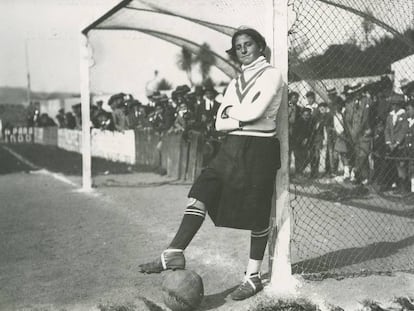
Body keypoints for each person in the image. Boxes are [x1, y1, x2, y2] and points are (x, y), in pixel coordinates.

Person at [139, 27, 283, 301]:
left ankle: (252, 277)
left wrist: (233, 114)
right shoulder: (235, 82)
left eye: (248, 44)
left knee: (258, 211)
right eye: (237, 46)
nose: (242, 49)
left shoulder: (272, 74)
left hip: (260, 148)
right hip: (231, 146)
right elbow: (218, 122)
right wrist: (237, 117)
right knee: (202, 190)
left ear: (261, 46)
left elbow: (256, 111)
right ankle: (174, 253)